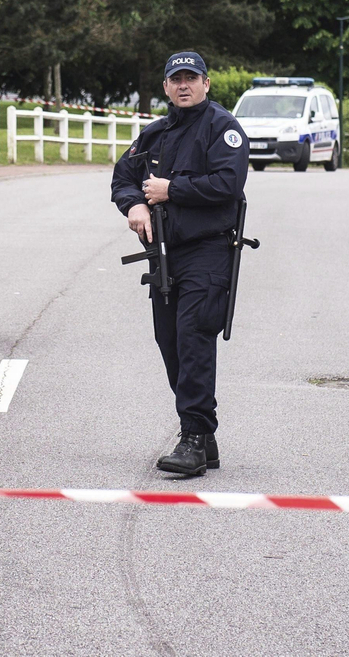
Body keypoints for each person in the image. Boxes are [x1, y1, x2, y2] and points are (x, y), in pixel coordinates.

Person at [111, 51, 248, 477]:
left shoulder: (223, 127)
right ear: (166, 87)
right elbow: (123, 177)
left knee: (193, 339)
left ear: (206, 83)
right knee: (169, 341)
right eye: (176, 79)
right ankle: (204, 436)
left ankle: (191, 436)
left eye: (192, 78)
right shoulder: (156, 132)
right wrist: (133, 205)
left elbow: (229, 183)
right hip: (165, 254)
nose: (184, 85)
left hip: (208, 252)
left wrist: (173, 189)